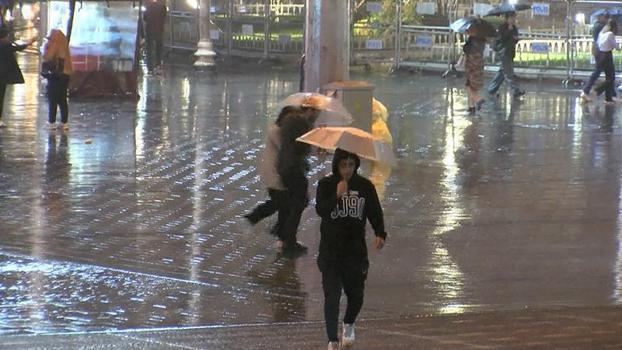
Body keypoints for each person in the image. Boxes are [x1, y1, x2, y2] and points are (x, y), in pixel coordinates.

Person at [315, 148, 387, 350]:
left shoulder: (364, 186)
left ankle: (348, 322)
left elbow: (374, 211)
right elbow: (321, 210)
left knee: (356, 295)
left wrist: (380, 233)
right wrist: (336, 196)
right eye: (343, 165)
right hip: (330, 252)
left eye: (351, 165)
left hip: (355, 252)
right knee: (332, 295)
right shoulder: (326, 184)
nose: (347, 169)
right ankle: (332, 339)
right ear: (336, 166)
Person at [244, 106, 298, 246]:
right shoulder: (276, 131)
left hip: (279, 171)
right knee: (281, 201)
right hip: (274, 172)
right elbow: (285, 148)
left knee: (283, 203)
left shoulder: (281, 130)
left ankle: (279, 231)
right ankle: (256, 216)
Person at [275, 105, 318, 254]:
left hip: (285, 166)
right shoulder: (300, 122)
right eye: (316, 111)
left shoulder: (290, 119)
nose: (317, 114)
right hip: (293, 167)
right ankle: (289, 239)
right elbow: (302, 146)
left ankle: (284, 235)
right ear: (310, 110)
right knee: (300, 202)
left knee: (291, 201)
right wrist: (313, 130)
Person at [0, 26, 35, 128]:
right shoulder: (6, 45)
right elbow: (18, 48)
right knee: (1, 96)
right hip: (3, 76)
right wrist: (29, 43)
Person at [487, 12, 525, 99]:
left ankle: (491, 89)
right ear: (507, 18)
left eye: (514, 18)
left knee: (502, 72)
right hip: (503, 52)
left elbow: (514, 38)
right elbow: (501, 39)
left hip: (510, 52)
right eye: (512, 18)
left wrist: (516, 39)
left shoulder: (514, 28)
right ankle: (516, 90)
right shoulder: (502, 27)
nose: (513, 20)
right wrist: (509, 30)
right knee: (508, 73)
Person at [582, 19, 618, 105]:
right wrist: (617, 47)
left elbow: (599, 42)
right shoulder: (610, 34)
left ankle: (608, 97)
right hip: (607, 55)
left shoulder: (602, 32)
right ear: (613, 27)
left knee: (600, 73)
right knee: (610, 77)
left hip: (599, 53)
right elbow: (615, 46)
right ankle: (597, 91)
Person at [42, 29, 73, 129]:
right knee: (62, 99)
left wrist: (46, 47)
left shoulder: (54, 45)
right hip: (65, 75)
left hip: (55, 76)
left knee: (53, 99)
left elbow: (47, 57)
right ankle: (64, 122)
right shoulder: (65, 47)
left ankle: (52, 122)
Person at [464, 36, 487, 114]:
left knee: (468, 85)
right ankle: (471, 107)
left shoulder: (473, 39)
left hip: (471, 63)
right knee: (472, 85)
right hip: (479, 63)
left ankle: (478, 99)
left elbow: (467, 49)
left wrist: (467, 43)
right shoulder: (482, 40)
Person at [143, 0, 167, 74]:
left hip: (149, 29)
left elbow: (145, 17)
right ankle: (158, 65)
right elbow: (164, 15)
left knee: (149, 49)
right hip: (159, 29)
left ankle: (150, 68)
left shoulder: (147, 4)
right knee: (159, 48)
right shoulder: (162, 4)